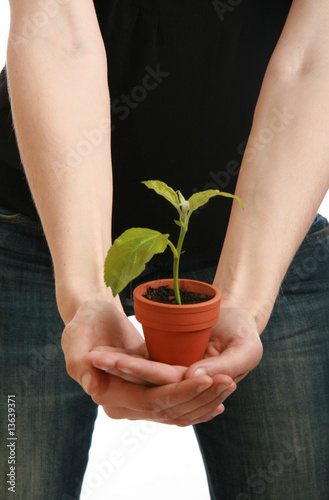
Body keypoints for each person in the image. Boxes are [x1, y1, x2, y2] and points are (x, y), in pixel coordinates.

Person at [1, 0, 329, 498]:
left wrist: (242, 301)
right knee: (15, 481)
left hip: (274, 236)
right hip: (37, 232)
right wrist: (87, 290)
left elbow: (314, 60)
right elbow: (56, 27)